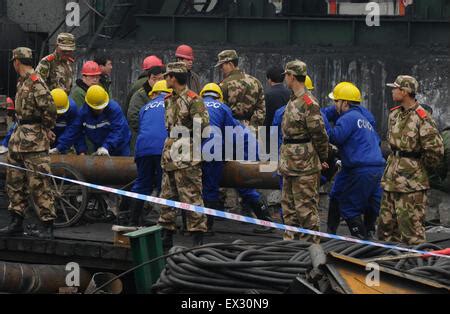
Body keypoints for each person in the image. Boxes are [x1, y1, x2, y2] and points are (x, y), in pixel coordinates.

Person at [378, 75, 444, 245]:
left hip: (411, 183)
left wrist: (418, 169)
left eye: (395, 88)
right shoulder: (394, 115)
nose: (392, 90)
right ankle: (388, 265)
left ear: (405, 91)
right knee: (386, 227)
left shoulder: (422, 117)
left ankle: (415, 268)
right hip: (391, 179)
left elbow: (435, 151)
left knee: (411, 231)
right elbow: (391, 144)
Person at [199, 83, 273, 233]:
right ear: (219, 96)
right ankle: (266, 221)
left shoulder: (197, 106)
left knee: (235, 186)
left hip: (234, 149)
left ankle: (207, 226)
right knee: (230, 186)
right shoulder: (223, 108)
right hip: (236, 147)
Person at [0, 47, 57, 239]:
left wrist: (46, 128)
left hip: (34, 140)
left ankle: (47, 224)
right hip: (18, 138)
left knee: (38, 182)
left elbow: (49, 108)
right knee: (14, 180)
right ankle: (16, 219)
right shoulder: (22, 82)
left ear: (17, 61)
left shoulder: (36, 82)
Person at [321, 82, 385, 239]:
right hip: (369, 165)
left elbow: (335, 137)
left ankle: (363, 240)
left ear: (345, 103)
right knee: (338, 194)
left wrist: (321, 120)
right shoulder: (363, 116)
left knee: (349, 207)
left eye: (336, 101)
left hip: (360, 167)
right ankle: (335, 233)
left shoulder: (348, 118)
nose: (334, 105)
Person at [157, 62, 210, 249]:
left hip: (186, 156)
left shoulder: (193, 99)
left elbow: (202, 126)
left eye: (167, 76)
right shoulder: (168, 99)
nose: (165, 79)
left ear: (174, 77)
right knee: (167, 195)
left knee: (191, 195)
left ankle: (197, 236)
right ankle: (166, 232)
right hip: (170, 155)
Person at [279, 60, 329, 243]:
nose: (285, 78)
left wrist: (323, 157)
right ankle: (291, 243)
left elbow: (319, 133)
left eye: (286, 75)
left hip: (304, 165)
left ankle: (311, 246)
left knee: (306, 208)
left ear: (292, 76)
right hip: (289, 163)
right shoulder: (293, 100)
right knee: (289, 207)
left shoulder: (308, 102)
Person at [123, 80, 171, 226]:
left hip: (143, 148)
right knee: (165, 186)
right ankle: (165, 224)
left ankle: (133, 221)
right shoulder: (172, 104)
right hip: (163, 148)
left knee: (142, 183)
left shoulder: (144, 107)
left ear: (154, 93)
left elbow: (142, 125)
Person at [50, 85, 131, 157]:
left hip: (120, 147)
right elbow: (74, 131)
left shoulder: (114, 109)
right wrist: (59, 148)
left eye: (101, 107)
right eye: (97, 108)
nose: (100, 109)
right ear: (90, 104)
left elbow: (118, 130)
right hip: (99, 146)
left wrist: (106, 147)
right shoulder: (83, 113)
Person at [216, 50, 265, 130]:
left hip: (230, 130)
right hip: (251, 129)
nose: (221, 68)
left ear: (230, 64)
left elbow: (220, 110)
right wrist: (253, 128)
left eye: (222, 65)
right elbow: (261, 109)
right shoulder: (256, 82)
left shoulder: (223, 85)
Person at [127, 56, 165, 154]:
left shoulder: (168, 93)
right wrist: (148, 129)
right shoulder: (140, 94)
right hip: (143, 141)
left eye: (160, 79)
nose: (157, 82)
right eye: (154, 79)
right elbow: (133, 116)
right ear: (148, 79)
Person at [264, 66, 291, 152]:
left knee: (268, 164)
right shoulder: (291, 94)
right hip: (287, 135)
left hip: (269, 135)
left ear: (269, 79)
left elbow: (264, 117)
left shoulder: (267, 95)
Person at [50, 88, 84, 153]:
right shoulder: (42, 108)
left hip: (65, 142)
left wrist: (81, 150)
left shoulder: (72, 108)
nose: (59, 114)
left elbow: (74, 130)